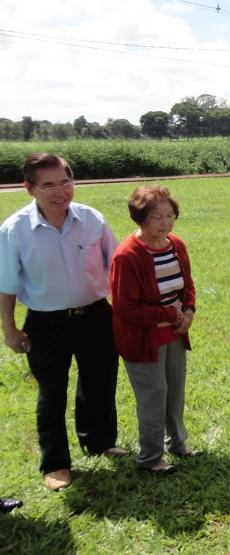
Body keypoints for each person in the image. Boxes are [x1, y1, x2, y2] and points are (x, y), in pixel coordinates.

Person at [0, 153, 128, 492]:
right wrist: (9, 329)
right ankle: (55, 464)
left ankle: (100, 441)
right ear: (29, 188)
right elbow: (7, 284)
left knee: (100, 383)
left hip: (96, 316)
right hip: (45, 324)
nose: (61, 191)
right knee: (51, 394)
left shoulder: (91, 219)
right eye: (49, 185)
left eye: (66, 182)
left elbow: (117, 266)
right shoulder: (14, 230)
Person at [110, 186, 198, 476]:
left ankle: (178, 443)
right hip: (142, 339)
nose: (166, 223)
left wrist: (188, 310)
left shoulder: (176, 244)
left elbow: (187, 284)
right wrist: (166, 313)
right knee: (153, 395)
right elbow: (124, 307)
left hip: (173, 333)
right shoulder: (127, 255)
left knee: (174, 390)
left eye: (170, 215)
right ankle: (150, 457)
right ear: (140, 219)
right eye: (157, 217)